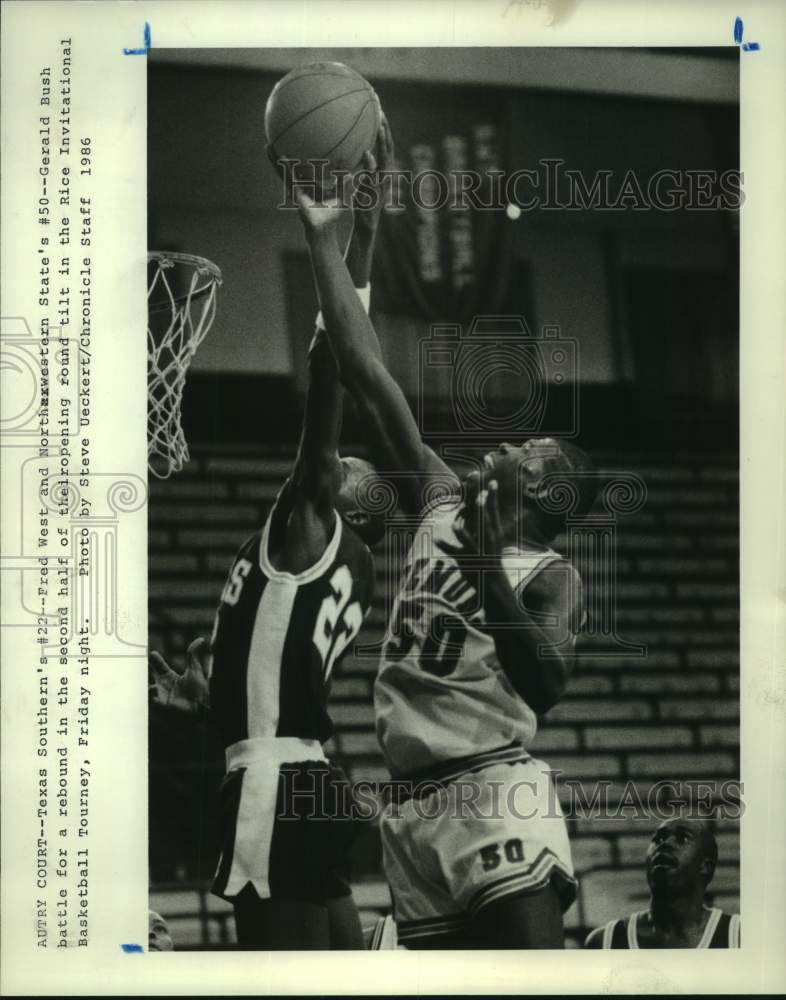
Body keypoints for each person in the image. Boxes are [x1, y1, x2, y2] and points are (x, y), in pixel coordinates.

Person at [285, 115, 598, 949]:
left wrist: (491, 568)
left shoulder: (553, 573)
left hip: (497, 791)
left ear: (544, 485)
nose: (509, 440)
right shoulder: (439, 494)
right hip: (413, 808)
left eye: (529, 445)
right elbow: (363, 367)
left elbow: (548, 686)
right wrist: (339, 228)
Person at [196, 172, 389, 950]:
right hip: (311, 778)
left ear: (348, 500)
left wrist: (329, 238)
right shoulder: (359, 568)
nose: (332, 461)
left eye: (344, 467)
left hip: (273, 784)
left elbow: (332, 366)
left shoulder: (312, 519)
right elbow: (278, 656)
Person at [584, 818, 740, 949]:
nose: (665, 843)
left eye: (682, 838)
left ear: (705, 866)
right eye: (658, 839)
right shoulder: (605, 942)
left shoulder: (739, 936)